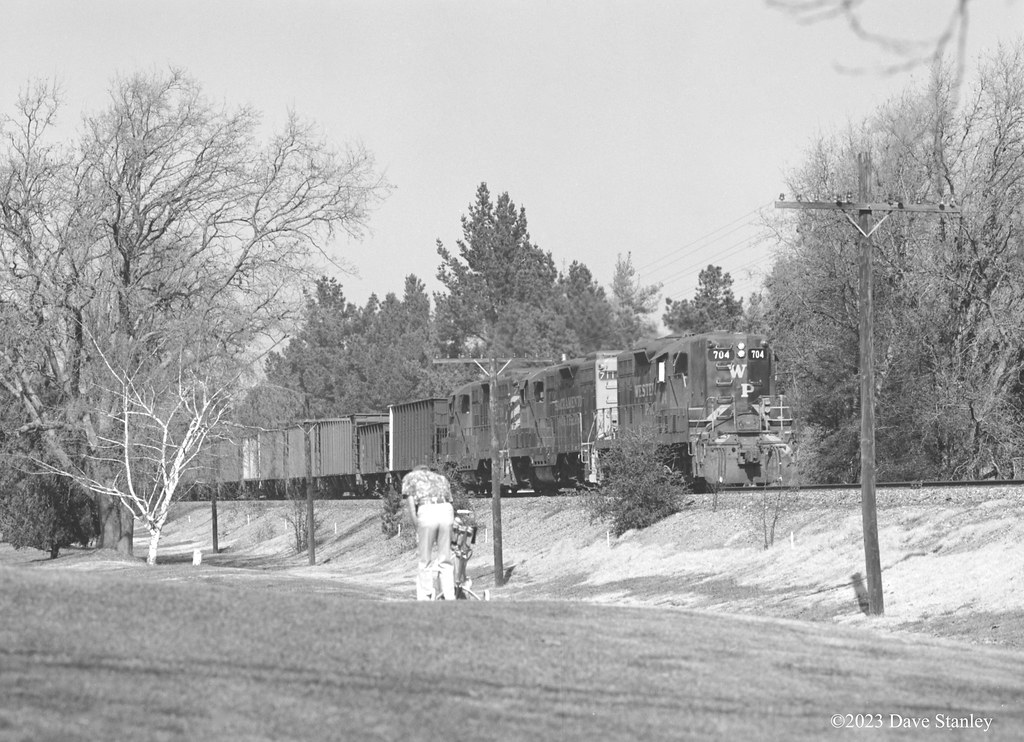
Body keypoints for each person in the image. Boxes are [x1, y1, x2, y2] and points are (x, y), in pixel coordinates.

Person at [403, 464, 455, 600]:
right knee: (445, 559)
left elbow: (412, 508)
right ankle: (450, 596)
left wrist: (417, 530)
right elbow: (450, 502)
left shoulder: (410, 478)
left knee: (425, 559)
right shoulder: (441, 479)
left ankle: (427, 594)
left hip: (427, 510)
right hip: (446, 509)